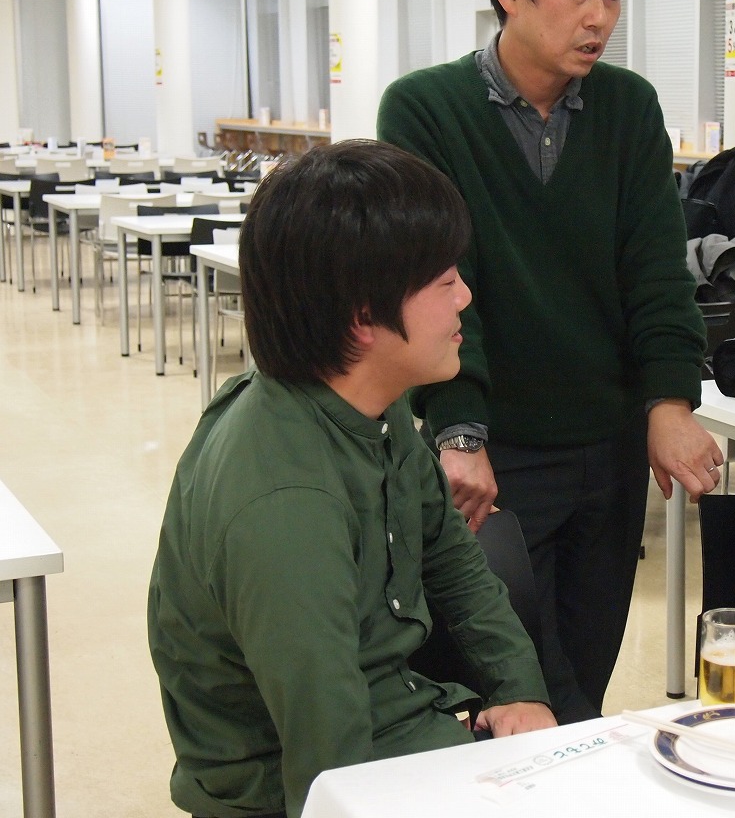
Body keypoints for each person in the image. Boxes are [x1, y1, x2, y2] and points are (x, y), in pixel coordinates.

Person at [377, 0, 722, 722]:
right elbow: (435, 283)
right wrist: (458, 431)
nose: (599, 18)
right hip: (495, 449)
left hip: (607, 446)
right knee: (517, 679)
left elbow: (656, 270)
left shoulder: (628, 108)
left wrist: (669, 402)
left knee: (587, 672)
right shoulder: (424, 109)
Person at [147, 140, 556, 818]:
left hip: (400, 721)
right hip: (301, 782)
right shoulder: (286, 504)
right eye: (443, 282)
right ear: (363, 317)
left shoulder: (370, 404)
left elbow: (455, 564)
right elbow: (326, 764)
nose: (465, 296)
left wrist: (521, 689)